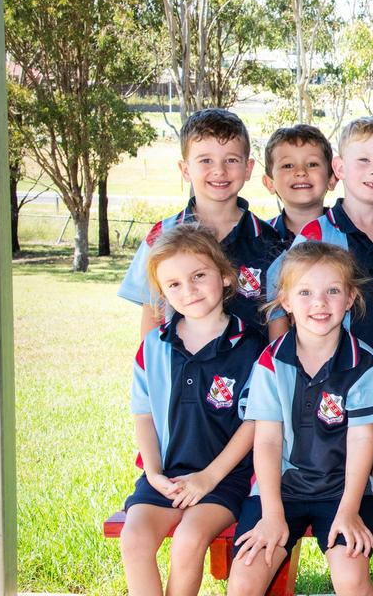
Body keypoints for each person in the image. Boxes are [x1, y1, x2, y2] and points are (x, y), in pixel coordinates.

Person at [229, 242, 373, 596]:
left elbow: (363, 439)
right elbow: (268, 441)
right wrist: (272, 515)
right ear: (285, 300)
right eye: (305, 292)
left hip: (344, 490)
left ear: (350, 298)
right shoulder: (271, 362)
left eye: (332, 291)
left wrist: (349, 511)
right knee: (243, 580)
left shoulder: (362, 364)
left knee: (351, 581)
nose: (319, 303)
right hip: (280, 490)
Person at [120, 224, 263, 596]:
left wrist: (208, 477)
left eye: (199, 276)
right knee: (133, 539)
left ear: (225, 276)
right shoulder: (153, 347)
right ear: (162, 294)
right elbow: (144, 416)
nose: (189, 290)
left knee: (188, 541)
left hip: (225, 479)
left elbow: (254, 424)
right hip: (167, 475)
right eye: (174, 284)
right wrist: (152, 473)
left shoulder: (252, 348)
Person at [118, 108, 283, 337]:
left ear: (248, 169)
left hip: (252, 371)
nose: (219, 170)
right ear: (185, 170)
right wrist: (152, 370)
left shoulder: (271, 241)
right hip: (181, 369)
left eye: (231, 160)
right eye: (206, 160)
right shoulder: (162, 235)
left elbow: (277, 319)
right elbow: (153, 314)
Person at [267, 118, 373, 354]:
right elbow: (277, 294)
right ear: (340, 168)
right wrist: (283, 361)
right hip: (334, 375)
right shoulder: (316, 234)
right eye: (364, 160)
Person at [260, 124, 337, 248]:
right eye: (288, 166)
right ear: (269, 183)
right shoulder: (259, 239)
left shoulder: (349, 236)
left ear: (332, 179)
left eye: (312, 164)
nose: (301, 172)